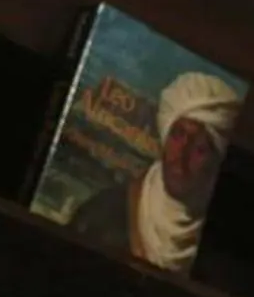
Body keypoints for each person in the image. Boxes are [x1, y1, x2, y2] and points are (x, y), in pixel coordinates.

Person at [67, 71, 242, 272]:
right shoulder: (102, 213)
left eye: (200, 148)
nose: (181, 156)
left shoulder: (224, 254)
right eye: (177, 135)